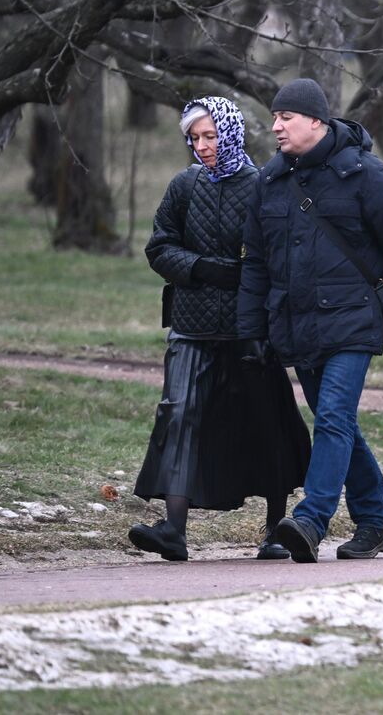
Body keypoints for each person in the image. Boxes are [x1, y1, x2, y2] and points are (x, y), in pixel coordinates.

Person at [239, 78, 383, 563]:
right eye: (274, 117)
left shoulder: (366, 175)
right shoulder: (270, 181)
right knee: (336, 421)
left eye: (286, 117)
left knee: (334, 417)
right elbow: (256, 261)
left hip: (353, 322)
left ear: (316, 121)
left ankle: (310, 520)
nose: (276, 126)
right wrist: (250, 329)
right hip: (296, 324)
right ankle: (375, 522)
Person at [131, 97, 311, 562]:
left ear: (230, 133)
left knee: (266, 423)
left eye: (210, 136)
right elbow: (159, 247)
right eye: (194, 138)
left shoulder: (264, 186)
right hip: (190, 327)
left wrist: (266, 317)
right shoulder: (183, 185)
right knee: (179, 416)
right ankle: (173, 531)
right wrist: (202, 268)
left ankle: (275, 531)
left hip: (249, 330)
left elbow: (281, 258)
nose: (202, 146)